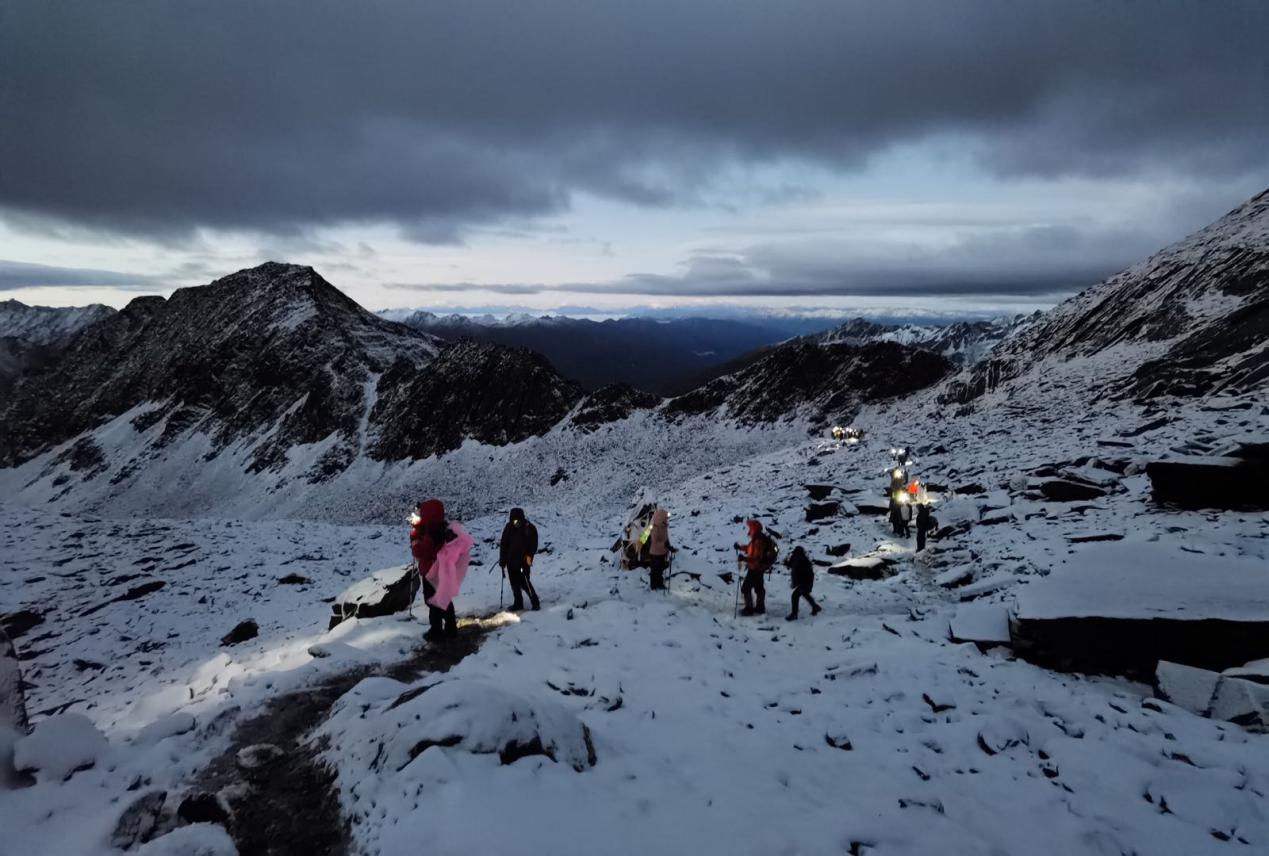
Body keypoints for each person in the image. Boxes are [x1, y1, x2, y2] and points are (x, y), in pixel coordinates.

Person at [410, 499, 474, 641]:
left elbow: (420, 551)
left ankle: (440, 630)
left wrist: (414, 538)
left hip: (432, 573)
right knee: (440, 600)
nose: (419, 515)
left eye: (422, 512)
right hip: (439, 572)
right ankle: (445, 629)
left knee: (435, 601)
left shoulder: (433, 533)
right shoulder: (441, 528)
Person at [499, 507, 540, 611]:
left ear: (522, 518)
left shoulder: (529, 528)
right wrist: (502, 559)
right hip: (510, 561)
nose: (515, 522)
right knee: (514, 583)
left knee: (525, 581)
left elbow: (533, 547)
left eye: (517, 520)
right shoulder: (508, 528)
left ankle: (535, 602)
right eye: (513, 520)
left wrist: (527, 559)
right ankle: (518, 603)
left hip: (524, 562)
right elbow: (503, 544)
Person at [735, 519, 772, 616]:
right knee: (759, 588)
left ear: (754, 528)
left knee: (746, 588)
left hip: (755, 569)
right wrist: (740, 547)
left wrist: (744, 558)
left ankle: (749, 609)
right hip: (759, 569)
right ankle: (760, 608)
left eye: (750, 527)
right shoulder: (757, 538)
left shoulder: (758, 541)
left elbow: (756, 558)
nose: (749, 530)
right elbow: (749, 547)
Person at [786, 546, 821, 621]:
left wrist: (801, 584)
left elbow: (806, 574)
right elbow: (790, 565)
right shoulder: (798, 559)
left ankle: (794, 614)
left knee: (795, 596)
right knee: (805, 594)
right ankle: (815, 607)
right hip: (803, 582)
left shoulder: (804, 562)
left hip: (805, 582)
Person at [645, 508, 672, 590]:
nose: (666, 520)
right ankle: (653, 586)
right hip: (655, 552)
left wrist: (669, 547)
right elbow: (655, 542)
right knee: (655, 571)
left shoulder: (664, 527)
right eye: (665, 518)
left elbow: (665, 539)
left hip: (662, 552)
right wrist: (665, 544)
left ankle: (660, 584)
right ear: (660, 518)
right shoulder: (655, 528)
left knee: (660, 570)